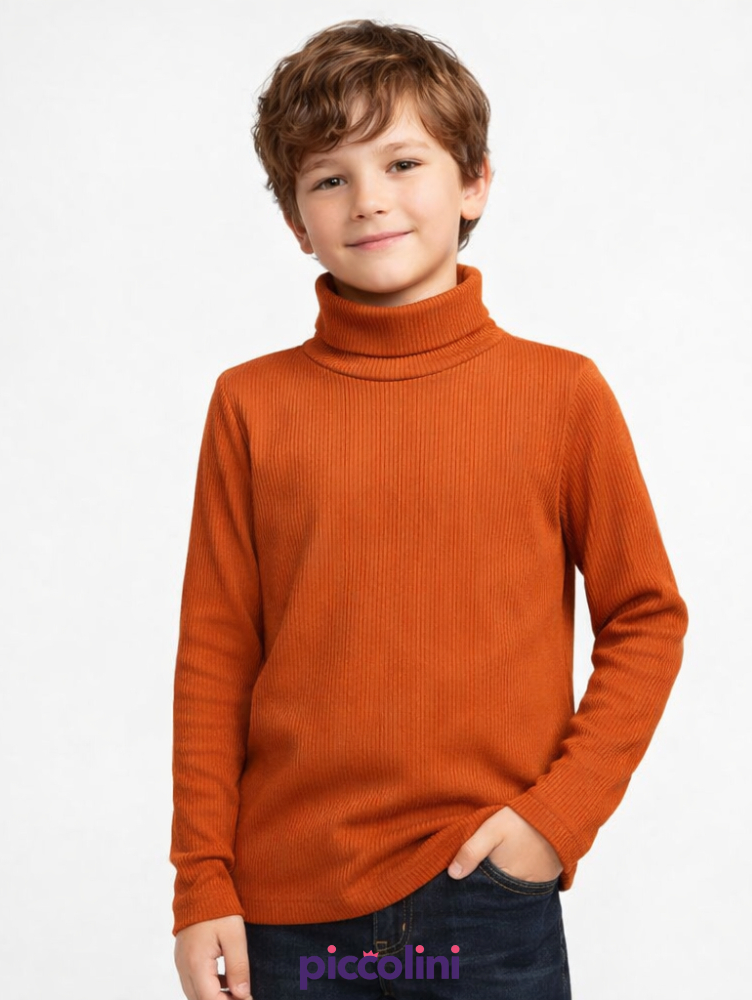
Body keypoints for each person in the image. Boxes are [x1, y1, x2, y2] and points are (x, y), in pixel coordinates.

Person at [170, 18, 688, 1000]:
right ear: (296, 221)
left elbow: (647, 617)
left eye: (402, 162)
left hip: (483, 895)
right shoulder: (250, 404)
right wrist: (201, 882)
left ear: (474, 181)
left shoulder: (561, 395)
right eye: (329, 178)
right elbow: (215, 655)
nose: (369, 199)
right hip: (289, 908)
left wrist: (556, 820)